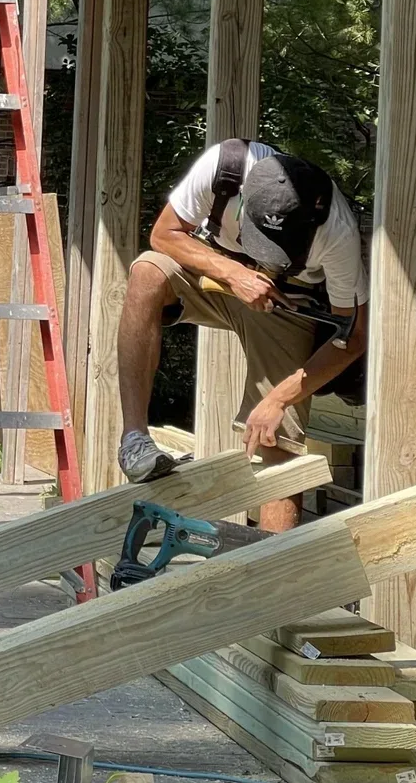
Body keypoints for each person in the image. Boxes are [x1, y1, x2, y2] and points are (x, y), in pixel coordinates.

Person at [115, 140, 368, 531]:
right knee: (147, 272)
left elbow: (352, 337)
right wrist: (232, 273)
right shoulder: (226, 167)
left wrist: (278, 398)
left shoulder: (337, 233)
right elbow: (164, 235)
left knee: (275, 435)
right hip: (219, 278)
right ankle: (135, 440)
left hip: (285, 306)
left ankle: (269, 574)